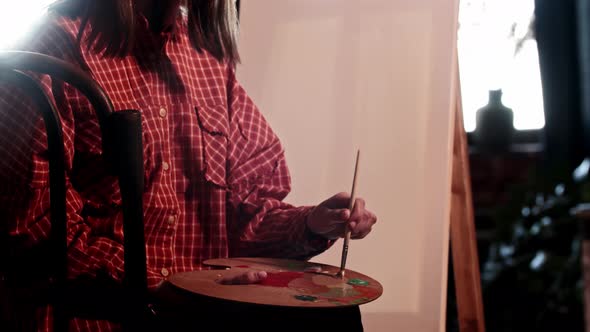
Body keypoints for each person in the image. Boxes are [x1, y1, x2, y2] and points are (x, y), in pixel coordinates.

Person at [0, 0, 377, 331]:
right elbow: (33, 228)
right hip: (105, 315)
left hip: (201, 311)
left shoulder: (207, 58)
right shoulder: (55, 48)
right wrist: (157, 287)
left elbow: (245, 219)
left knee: (334, 317)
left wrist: (312, 222)